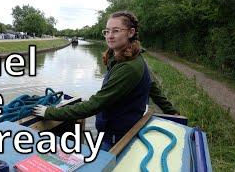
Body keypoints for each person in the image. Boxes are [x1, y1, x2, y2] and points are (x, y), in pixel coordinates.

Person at [34, 11, 152, 151]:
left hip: (116, 137)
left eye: (116, 31)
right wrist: (171, 110)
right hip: (112, 131)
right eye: (107, 31)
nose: (110, 36)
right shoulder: (126, 58)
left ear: (131, 32)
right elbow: (152, 85)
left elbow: (95, 104)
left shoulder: (129, 67)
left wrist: (49, 112)